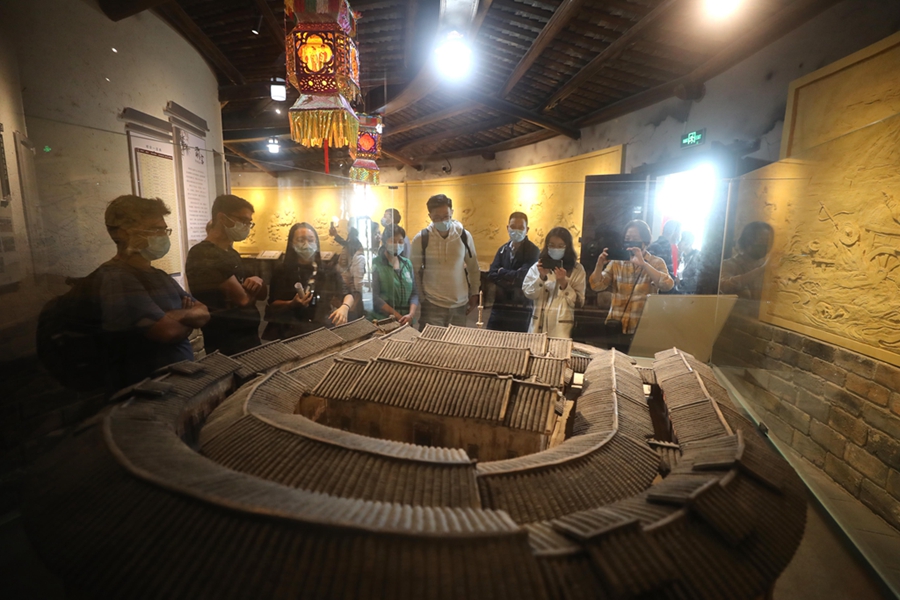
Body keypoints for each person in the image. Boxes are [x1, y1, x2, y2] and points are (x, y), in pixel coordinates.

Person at [100, 195, 209, 390]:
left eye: (164, 229)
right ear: (124, 234)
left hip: (172, 384)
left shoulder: (159, 275)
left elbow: (203, 312)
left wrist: (175, 316)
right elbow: (167, 331)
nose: (163, 235)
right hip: (147, 389)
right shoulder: (118, 278)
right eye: (155, 229)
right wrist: (188, 321)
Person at [185, 194, 266, 356]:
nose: (246, 226)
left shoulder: (231, 253)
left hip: (247, 338)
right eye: (242, 220)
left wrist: (256, 284)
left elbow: (262, 293)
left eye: (249, 222)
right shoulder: (203, 253)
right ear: (222, 218)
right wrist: (253, 290)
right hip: (225, 342)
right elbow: (243, 300)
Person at [590, 219, 674, 351]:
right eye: (627, 238)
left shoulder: (656, 262)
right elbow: (596, 285)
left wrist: (644, 265)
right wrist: (599, 264)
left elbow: (667, 284)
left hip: (643, 328)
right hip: (616, 326)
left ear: (645, 242)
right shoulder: (617, 262)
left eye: (635, 239)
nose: (630, 242)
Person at [263, 222, 354, 339]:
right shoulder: (282, 270)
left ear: (316, 242)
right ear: (292, 243)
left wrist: (344, 307)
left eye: (311, 240)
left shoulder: (327, 270)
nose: (306, 244)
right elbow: (273, 304)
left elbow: (348, 294)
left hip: (320, 329)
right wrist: (291, 304)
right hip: (289, 330)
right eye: (301, 240)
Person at [410, 194, 480, 327]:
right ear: (430, 216)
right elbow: (414, 271)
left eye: (446, 216)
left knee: (456, 340)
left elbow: (473, 268)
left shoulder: (464, 236)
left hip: (460, 304)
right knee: (431, 340)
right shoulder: (421, 239)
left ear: (452, 212)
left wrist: (474, 293)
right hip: (432, 304)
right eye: (437, 218)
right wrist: (422, 299)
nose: (442, 221)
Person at [522, 227, 586, 338]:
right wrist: (541, 277)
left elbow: (579, 303)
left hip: (561, 332)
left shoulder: (577, 270)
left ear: (567, 247)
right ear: (547, 246)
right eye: (551, 245)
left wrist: (564, 284)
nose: (555, 249)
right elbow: (528, 293)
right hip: (537, 329)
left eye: (560, 246)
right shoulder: (538, 267)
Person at [487, 211, 540, 332]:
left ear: (527, 229)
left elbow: (524, 276)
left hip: (521, 307)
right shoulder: (503, 249)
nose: (516, 230)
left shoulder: (533, 251)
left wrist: (502, 272)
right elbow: (492, 273)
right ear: (507, 228)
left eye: (520, 228)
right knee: (492, 338)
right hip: (500, 306)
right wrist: (512, 279)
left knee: (518, 340)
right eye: (513, 227)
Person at [370, 225, 419, 325]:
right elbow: (375, 298)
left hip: (406, 320)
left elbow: (414, 293)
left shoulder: (407, 264)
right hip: (384, 320)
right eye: (393, 241)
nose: (397, 245)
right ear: (384, 242)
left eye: (400, 241)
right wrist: (398, 317)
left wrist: (411, 315)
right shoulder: (376, 264)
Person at [719, 221, 774, 300]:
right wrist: (761, 269)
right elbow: (724, 286)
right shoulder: (728, 265)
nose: (765, 246)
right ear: (747, 241)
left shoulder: (766, 268)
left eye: (767, 242)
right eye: (761, 241)